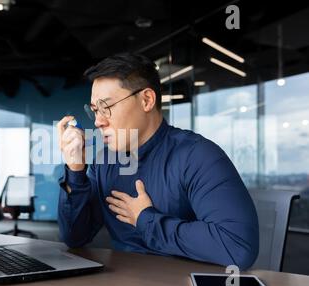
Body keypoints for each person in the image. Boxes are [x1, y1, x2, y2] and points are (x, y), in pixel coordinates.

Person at [56, 53, 259, 269]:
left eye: (106, 107)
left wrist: (146, 220)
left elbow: (238, 247)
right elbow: (75, 238)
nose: (98, 121)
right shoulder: (104, 162)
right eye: (95, 110)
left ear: (146, 100)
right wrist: (75, 170)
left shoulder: (198, 155)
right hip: (122, 285)